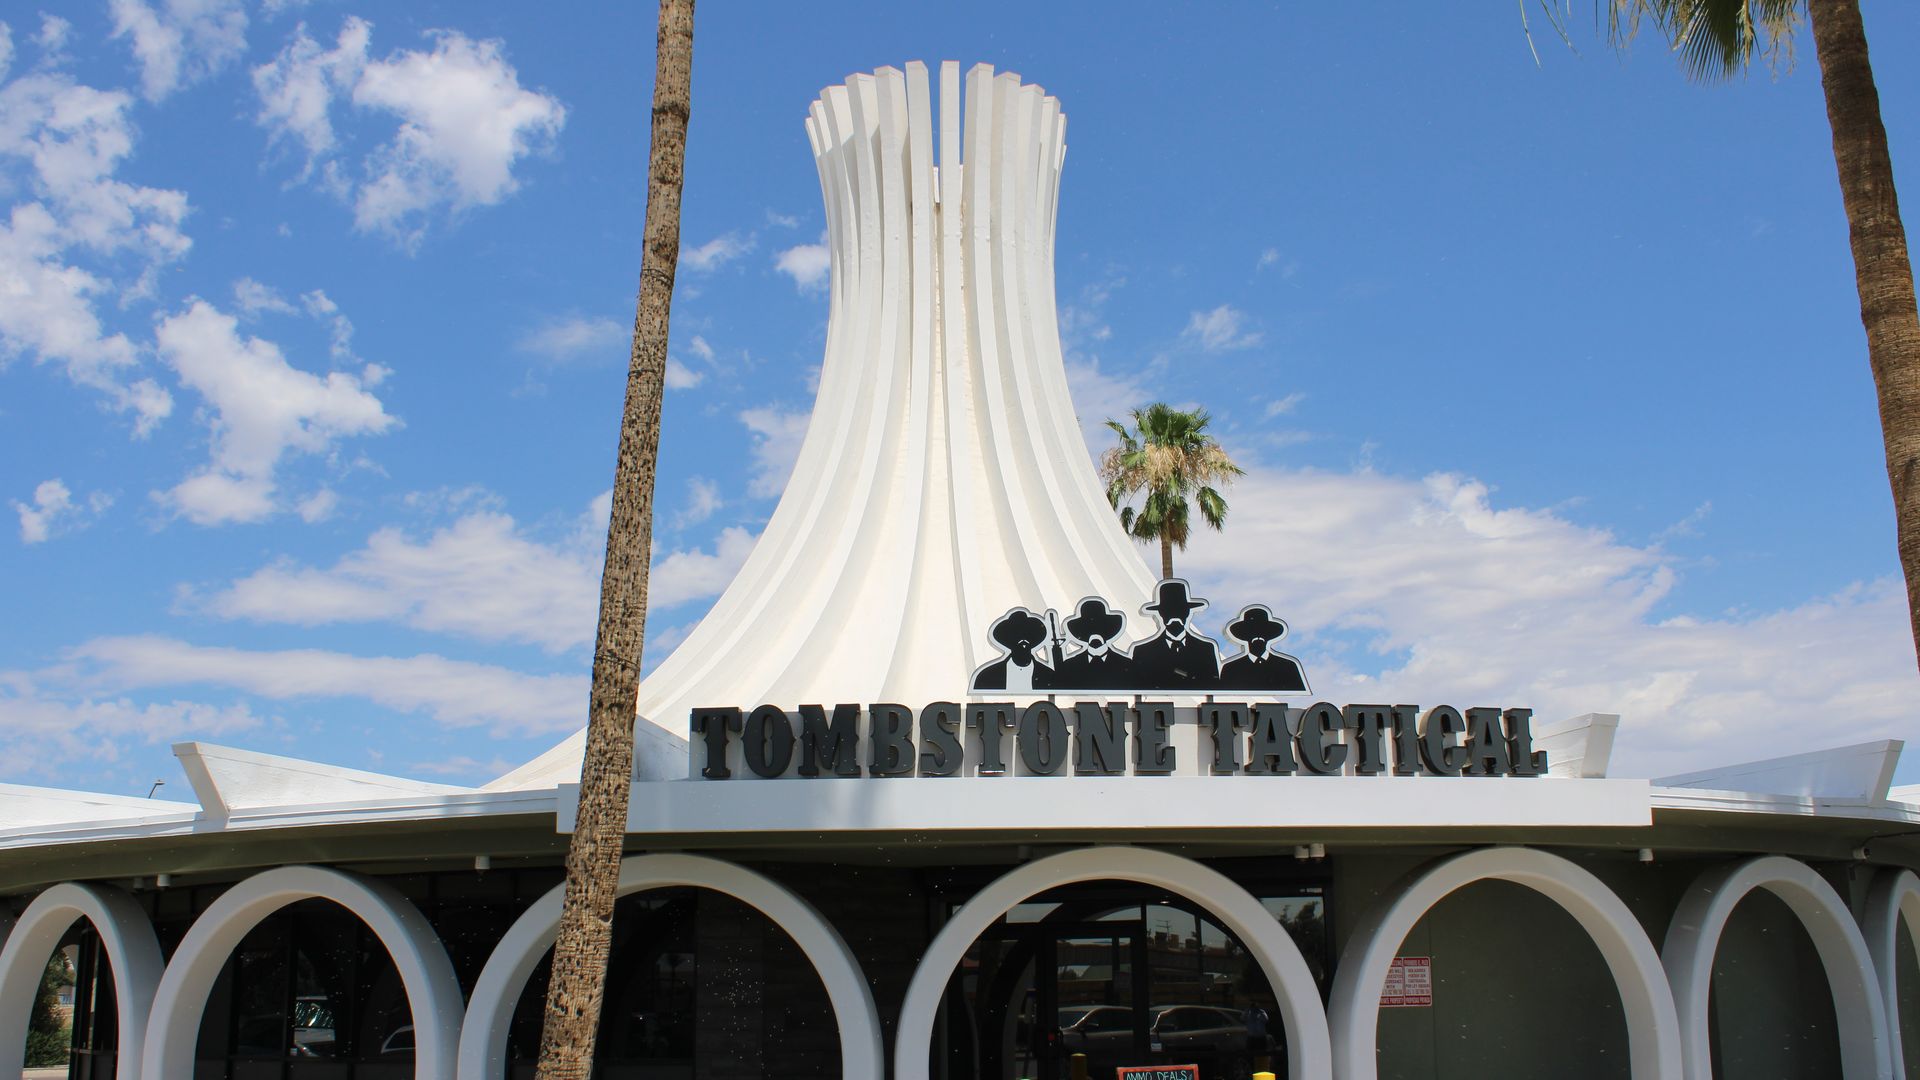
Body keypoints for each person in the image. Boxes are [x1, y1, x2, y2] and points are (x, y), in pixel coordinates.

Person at [1129, 579, 1221, 690]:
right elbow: (1137, 685)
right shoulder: (1143, 652)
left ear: (1187, 612)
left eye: (1180, 610)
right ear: (1160, 613)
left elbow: (1213, 685)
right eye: (1168, 610)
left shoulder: (1206, 649)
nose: (1175, 616)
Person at [1046, 597, 1137, 690]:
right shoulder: (1070, 666)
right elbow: (1059, 684)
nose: (1095, 633)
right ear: (1082, 632)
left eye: (1100, 627)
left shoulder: (1126, 665)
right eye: (1089, 628)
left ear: (1109, 629)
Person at [1217, 605, 1308, 692]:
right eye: (1252, 632)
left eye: (1263, 631)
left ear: (1269, 635)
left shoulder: (1288, 666)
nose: (1258, 636)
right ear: (1244, 636)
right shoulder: (1230, 669)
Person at [970, 607, 1053, 692]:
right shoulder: (987, 676)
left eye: (1028, 635)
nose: (1023, 641)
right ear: (1008, 641)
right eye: (1017, 636)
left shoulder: (1048, 675)